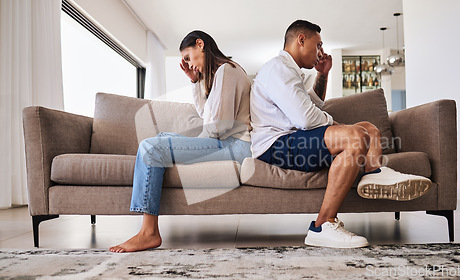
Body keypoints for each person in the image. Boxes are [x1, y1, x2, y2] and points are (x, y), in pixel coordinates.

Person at [250, 20, 431, 248]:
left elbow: (311, 105)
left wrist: (323, 74)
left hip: (292, 140)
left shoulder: (288, 71)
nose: (320, 52)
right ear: (301, 40)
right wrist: (337, 124)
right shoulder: (279, 69)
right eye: (318, 45)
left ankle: (374, 172)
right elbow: (305, 119)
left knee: (369, 128)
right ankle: (322, 225)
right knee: (357, 136)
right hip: (276, 145)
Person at [110, 30, 252, 253]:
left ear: (200, 44)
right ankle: (147, 228)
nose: (188, 63)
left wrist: (191, 144)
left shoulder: (227, 70)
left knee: (151, 147)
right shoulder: (219, 75)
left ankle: (149, 233)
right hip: (225, 141)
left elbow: (219, 127)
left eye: (188, 57)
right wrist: (195, 81)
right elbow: (207, 115)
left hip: (236, 145)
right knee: (160, 139)